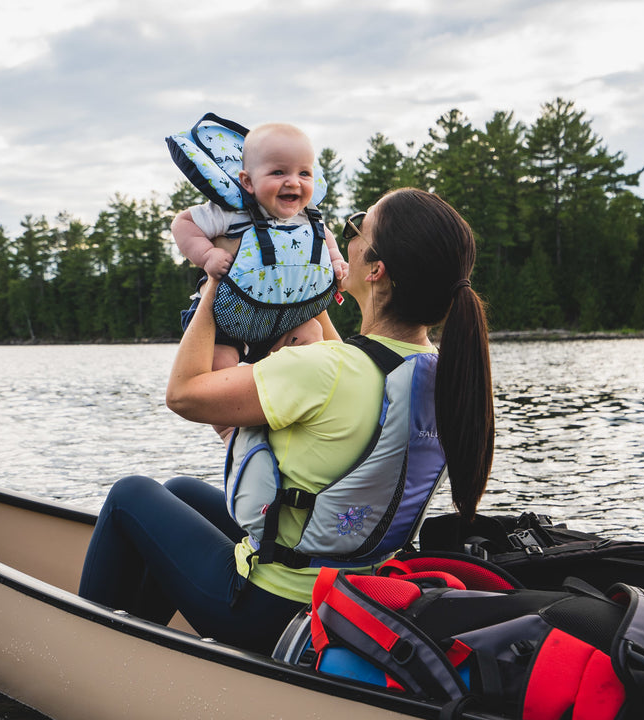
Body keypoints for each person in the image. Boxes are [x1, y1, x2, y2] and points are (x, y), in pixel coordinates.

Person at [78, 188, 494, 655]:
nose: (345, 234)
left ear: (376, 271)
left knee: (130, 494)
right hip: (349, 593)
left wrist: (214, 286)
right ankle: (143, 647)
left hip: (269, 606)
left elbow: (183, 394)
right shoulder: (436, 372)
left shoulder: (323, 370)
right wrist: (302, 282)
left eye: (359, 225)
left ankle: (85, 654)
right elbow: (352, 358)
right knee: (179, 492)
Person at [172, 122, 349, 371]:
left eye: (304, 173)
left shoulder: (309, 216)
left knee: (312, 332)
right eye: (278, 172)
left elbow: (324, 239)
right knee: (219, 364)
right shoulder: (231, 212)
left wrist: (337, 262)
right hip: (226, 319)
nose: (293, 182)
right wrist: (207, 254)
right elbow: (183, 223)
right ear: (248, 181)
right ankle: (235, 401)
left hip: (284, 320)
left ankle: (286, 397)